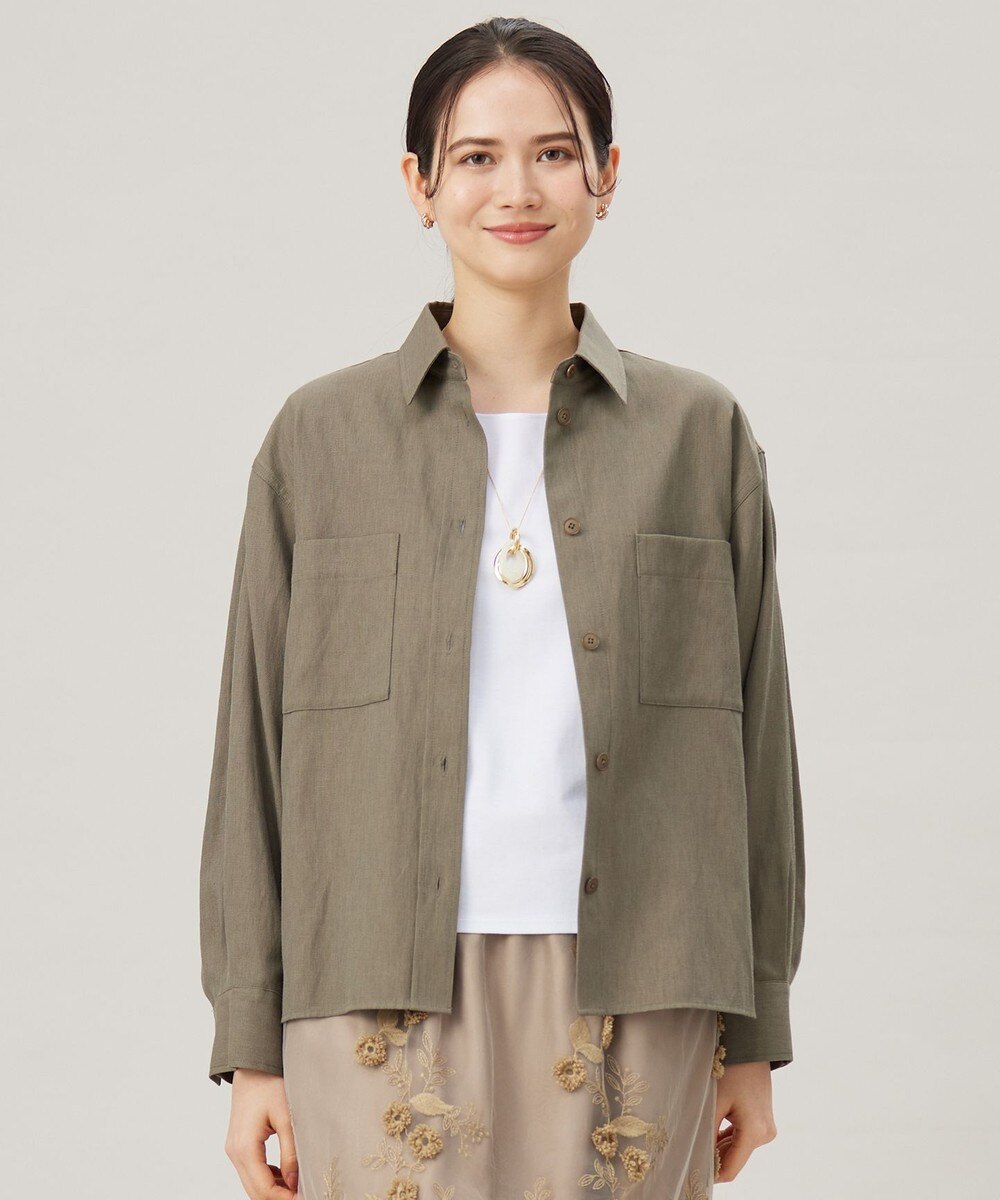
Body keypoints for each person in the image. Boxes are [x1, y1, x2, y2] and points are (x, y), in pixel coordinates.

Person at [199, 16, 806, 1200]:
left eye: (554, 153)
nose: (516, 189)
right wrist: (248, 1040)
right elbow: (252, 756)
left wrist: (758, 1026)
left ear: (606, 176)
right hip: (370, 977)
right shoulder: (320, 439)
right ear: (419, 185)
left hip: (648, 980)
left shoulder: (698, 433)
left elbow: (756, 751)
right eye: (475, 157)